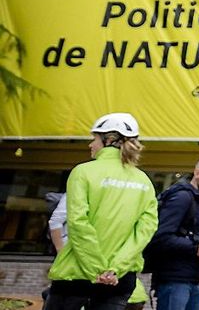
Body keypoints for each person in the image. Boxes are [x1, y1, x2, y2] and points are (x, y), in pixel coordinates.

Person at [43, 112, 158, 310]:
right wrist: (114, 270)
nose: (90, 145)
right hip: (119, 279)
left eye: (94, 139)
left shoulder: (83, 172)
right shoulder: (145, 182)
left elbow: (78, 223)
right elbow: (144, 232)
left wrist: (97, 269)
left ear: (110, 140)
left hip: (77, 275)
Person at [145, 157, 199, 310]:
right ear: (197, 173)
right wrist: (196, 248)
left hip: (190, 278)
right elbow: (161, 237)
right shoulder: (182, 197)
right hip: (174, 279)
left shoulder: (197, 200)